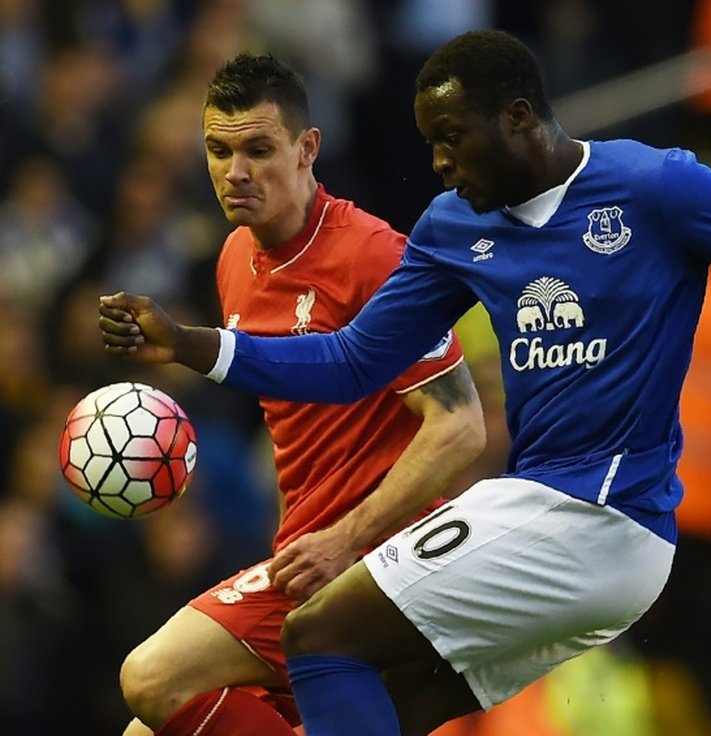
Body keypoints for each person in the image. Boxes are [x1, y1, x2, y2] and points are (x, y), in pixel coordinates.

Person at [99, 30, 711, 736]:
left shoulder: (656, 186)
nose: (437, 166)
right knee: (384, 705)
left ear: (518, 119)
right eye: (429, 145)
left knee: (321, 632)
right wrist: (197, 345)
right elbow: (356, 359)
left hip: (607, 515)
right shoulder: (452, 226)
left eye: (451, 140)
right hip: (540, 511)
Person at [112, 53, 486, 736]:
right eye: (218, 151)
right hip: (306, 555)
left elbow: (460, 426)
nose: (236, 171)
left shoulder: (375, 256)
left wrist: (345, 540)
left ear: (307, 148)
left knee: (150, 677)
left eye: (258, 149)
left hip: (381, 559)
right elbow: (299, 439)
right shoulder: (233, 259)